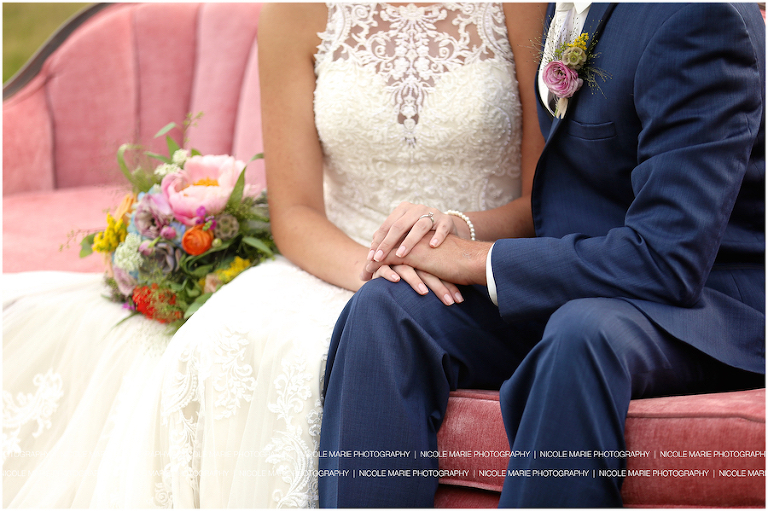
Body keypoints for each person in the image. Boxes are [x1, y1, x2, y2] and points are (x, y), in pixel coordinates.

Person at [3, 3, 546, 508]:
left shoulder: (520, 9)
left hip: (477, 267)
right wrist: (377, 268)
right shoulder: (294, 11)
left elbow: (541, 201)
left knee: (351, 341)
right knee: (223, 345)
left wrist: (459, 241)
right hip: (340, 260)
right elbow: (297, 213)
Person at [319, 2, 765, 507]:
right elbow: (572, 194)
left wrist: (473, 259)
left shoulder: (701, 18)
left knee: (582, 331)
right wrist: (448, 232)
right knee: (389, 305)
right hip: (590, 278)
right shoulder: (567, 7)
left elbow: (667, 258)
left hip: (707, 303)